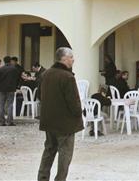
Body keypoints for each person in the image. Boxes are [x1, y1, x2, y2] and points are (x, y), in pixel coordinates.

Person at [37, 48, 83, 181]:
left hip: (49, 120)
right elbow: (73, 101)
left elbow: (39, 95)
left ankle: (42, 177)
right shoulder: (67, 77)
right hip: (65, 123)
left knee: (49, 150)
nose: (73, 60)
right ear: (64, 59)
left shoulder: (45, 74)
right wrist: (79, 112)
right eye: (71, 57)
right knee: (65, 153)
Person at [0, 55, 20, 126]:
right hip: (11, 89)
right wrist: (16, 86)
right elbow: (17, 79)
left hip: (1, 89)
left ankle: (1, 121)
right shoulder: (14, 69)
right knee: (10, 105)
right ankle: (10, 121)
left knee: (1, 105)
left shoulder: (0, 69)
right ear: (10, 61)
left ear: (4, 61)